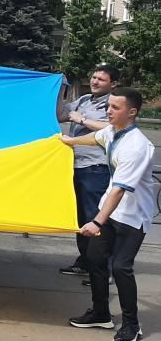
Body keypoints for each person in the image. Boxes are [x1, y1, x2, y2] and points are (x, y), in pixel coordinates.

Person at [62, 86, 155, 341]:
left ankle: (131, 325)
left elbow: (119, 189)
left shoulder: (137, 146)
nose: (108, 111)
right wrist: (70, 141)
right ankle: (101, 313)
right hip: (109, 211)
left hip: (132, 216)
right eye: (108, 106)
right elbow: (97, 137)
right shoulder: (113, 131)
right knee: (94, 259)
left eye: (115, 107)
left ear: (132, 112)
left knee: (121, 267)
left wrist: (96, 222)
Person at [57, 65, 117, 279]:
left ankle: (103, 270)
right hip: (77, 166)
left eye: (101, 79)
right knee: (82, 218)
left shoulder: (113, 103)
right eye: (93, 77)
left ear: (113, 84)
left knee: (95, 218)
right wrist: (60, 88)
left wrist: (81, 120)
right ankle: (86, 262)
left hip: (96, 168)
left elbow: (111, 128)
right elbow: (60, 115)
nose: (95, 81)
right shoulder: (83, 100)